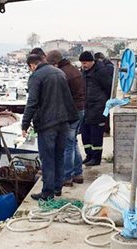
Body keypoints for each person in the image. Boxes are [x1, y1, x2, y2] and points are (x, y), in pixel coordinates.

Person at [21, 54, 78, 200]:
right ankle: (57, 188)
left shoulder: (36, 76)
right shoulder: (60, 73)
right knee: (59, 155)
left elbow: (32, 102)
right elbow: (68, 97)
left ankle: (47, 192)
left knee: (47, 158)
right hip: (63, 121)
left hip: (48, 123)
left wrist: (25, 124)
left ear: (32, 65)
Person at [46, 50, 86, 186]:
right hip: (80, 109)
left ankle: (67, 176)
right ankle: (78, 173)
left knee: (68, 144)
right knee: (73, 142)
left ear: (55, 63)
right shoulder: (74, 70)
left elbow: (61, 96)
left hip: (71, 111)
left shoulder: (62, 74)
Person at [79, 51, 112, 166]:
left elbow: (108, 87)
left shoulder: (101, 71)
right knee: (85, 133)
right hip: (87, 107)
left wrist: (103, 103)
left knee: (96, 135)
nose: (84, 65)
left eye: (85, 63)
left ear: (92, 61)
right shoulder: (84, 72)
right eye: (82, 63)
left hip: (98, 107)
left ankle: (96, 158)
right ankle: (89, 155)